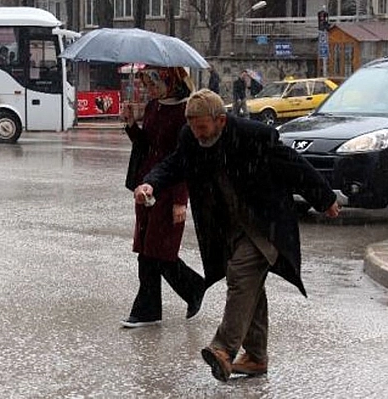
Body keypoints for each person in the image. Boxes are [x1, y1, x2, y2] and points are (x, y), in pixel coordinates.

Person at [133, 89, 340, 381]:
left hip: (265, 222)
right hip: (231, 226)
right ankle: (255, 357)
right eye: (191, 126)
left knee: (241, 275)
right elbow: (174, 164)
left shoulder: (253, 136)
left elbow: (293, 165)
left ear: (221, 121)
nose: (196, 132)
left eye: (202, 126)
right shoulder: (191, 139)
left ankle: (223, 349)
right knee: (249, 286)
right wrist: (150, 184)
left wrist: (325, 197)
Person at [119, 67, 206, 329]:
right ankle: (175, 296)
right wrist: (131, 124)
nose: (150, 88)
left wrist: (181, 199)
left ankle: (158, 304)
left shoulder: (186, 112)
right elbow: (146, 145)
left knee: (158, 251)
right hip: (146, 186)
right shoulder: (153, 106)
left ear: (171, 80)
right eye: (147, 82)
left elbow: (185, 159)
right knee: (146, 249)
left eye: (155, 82)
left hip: (169, 189)